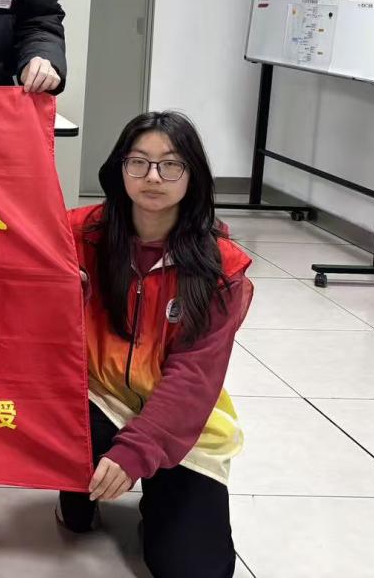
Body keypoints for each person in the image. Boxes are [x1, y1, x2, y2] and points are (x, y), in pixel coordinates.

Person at [62, 111, 254, 578]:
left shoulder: (220, 267)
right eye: (138, 162)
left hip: (183, 423)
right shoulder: (76, 234)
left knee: (195, 569)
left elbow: (194, 376)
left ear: (193, 176)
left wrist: (138, 450)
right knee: (76, 494)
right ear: (119, 169)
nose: (152, 177)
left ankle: (157, 491)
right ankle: (78, 485)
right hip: (94, 400)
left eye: (170, 165)